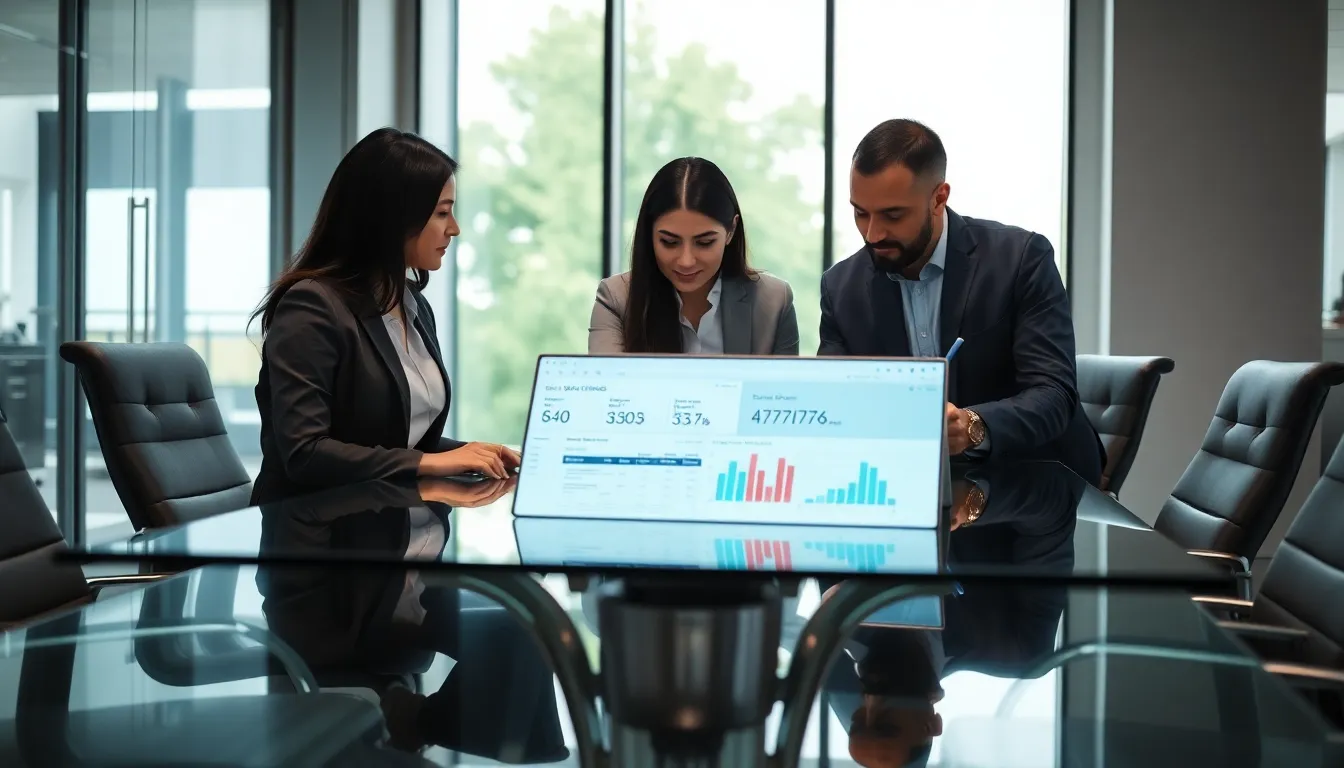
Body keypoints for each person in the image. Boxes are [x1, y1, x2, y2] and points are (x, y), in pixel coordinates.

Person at [819, 119, 1104, 485]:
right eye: (860, 212)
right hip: (908, 488)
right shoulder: (842, 288)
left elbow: (1054, 395)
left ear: (939, 198)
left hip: (1033, 492)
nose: (873, 234)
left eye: (893, 215)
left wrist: (973, 426)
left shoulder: (1020, 260)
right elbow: (834, 403)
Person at [249, 128, 520, 505]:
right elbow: (305, 454)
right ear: (394, 217)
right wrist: (435, 461)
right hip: (315, 543)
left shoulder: (412, 304)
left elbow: (397, 443)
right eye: (442, 212)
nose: (454, 229)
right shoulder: (311, 306)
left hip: (391, 529)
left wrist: (476, 453)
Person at [588, 156, 799, 355]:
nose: (686, 261)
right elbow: (609, 390)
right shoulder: (617, 299)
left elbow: (782, 392)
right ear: (649, 233)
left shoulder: (774, 301)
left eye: (704, 243)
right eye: (669, 242)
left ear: (731, 231)